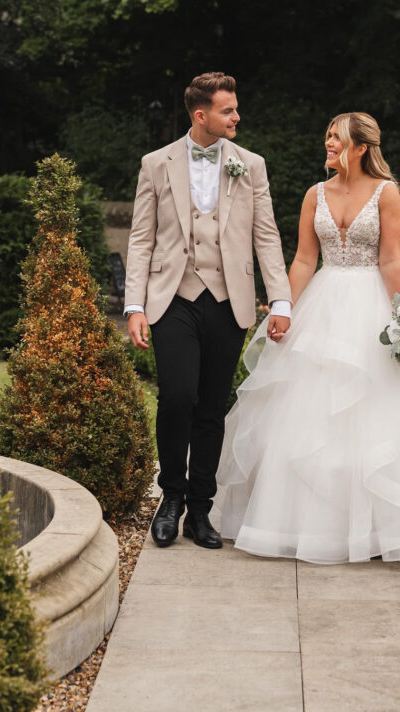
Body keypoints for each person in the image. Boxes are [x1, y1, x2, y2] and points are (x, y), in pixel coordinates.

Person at [215, 112, 400, 563]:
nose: (328, 144)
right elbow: (305, 259)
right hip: (320, 306)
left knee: (370, 417)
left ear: (362, 147)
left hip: (370, 308)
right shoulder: (314, 194)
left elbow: (390, 260)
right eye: (327, 136)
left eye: (336, 138)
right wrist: (283, 307)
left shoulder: (387, 194)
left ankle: (372, 532)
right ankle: (299, 524)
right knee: (305, 416)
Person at [125, 72, 291, 550]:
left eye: (235, 108)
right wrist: (134, 304)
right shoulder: (156, 164)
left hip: (227, 299)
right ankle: (170, 499)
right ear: (201, 115)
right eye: (228, 110)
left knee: (213, 407)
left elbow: (266, 235)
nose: (237, 116)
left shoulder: (251, 165)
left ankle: (201, 510)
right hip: (171, 296)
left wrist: (279, 299)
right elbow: (141, 238)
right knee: (177, 397)